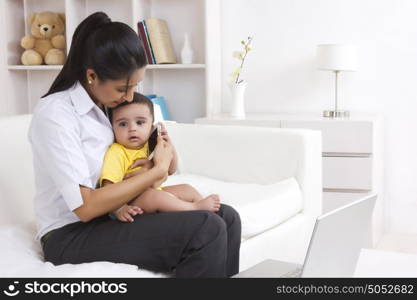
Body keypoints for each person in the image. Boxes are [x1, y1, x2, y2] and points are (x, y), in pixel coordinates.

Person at [28, 12, 241, 278]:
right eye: (122, 88)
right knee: (205, 227)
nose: (129, 97)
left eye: (135, 86)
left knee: (227, 217)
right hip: (71, 234)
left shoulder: (107, 106)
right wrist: (155, 172)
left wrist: (155, 163)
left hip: (115, 214)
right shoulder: (56, 113)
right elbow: (85, 207)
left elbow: (135, 163)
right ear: (92, 76)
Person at [100, 92, 221, 222]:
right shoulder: (117, 152)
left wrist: (168, 144)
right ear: (113, 128)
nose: (132, 129)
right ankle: (194, 207)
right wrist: (119, 209)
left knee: (186, 189)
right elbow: (108, 188)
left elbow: (170, 170)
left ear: (151, 127)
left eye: (140, 122)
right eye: (123, 124)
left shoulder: (147, 146)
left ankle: (206, 215)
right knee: (155, 196)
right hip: (131, 200)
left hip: (154, 190)